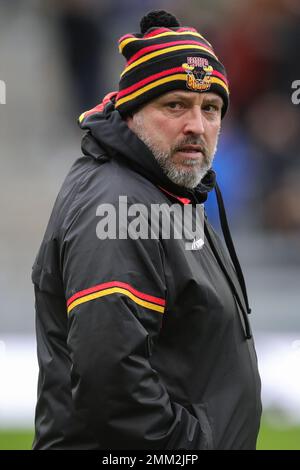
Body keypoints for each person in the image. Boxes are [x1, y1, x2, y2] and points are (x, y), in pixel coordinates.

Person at [32, 10, 262, 450]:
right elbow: (112, 384)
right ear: (132, 112)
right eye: (175, 105)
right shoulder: (117, 202)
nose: (197, 125)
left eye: (210, 108)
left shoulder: (166, 187)